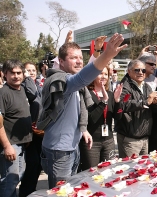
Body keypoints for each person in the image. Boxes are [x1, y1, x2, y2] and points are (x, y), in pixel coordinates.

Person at [37, 33, 127, 189]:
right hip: (60, 151)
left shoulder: (72, 80)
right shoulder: (61, 80)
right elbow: (84, 77)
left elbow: (84, 72)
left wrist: (82, 130)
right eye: (73, 58)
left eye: (80, 57)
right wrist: (107, 55)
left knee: (69, 189)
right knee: (60, 191)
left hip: (72, 147)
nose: (79, 61)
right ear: (61, 62)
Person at [79, 65, 123, 171]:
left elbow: (118, 117)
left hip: (108, 141)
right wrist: (103, 102)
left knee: (108, 172)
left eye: (106, 74)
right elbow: (91, 119)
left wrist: (117, 101)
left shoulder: (110, 94)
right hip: (91, 142)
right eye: (100, 73)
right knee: (91, 174)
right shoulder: (87, 94)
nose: (103, 76)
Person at [0, 60, 33, 197]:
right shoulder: (3, 93)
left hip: (21, 145)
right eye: (12, 73)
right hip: (10, 145)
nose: (16, 76)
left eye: (19, 73)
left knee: (15, 179)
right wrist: (7, 146)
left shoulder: (22, 89)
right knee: (9, 182)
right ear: (4, 74)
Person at [115, 60, 157, 158]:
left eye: (143, 70)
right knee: (129, 170)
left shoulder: (146, 86)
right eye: (137, 70)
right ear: (129, 71)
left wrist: (155, 103)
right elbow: (124, 104)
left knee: (142, 169)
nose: (140, 73)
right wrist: (146, 102)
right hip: (130, 139)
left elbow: (152, 107)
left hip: (144, 137)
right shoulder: (124, 87)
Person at [18, 62, 44, 197]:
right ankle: (25, 192)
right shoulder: (23, 87)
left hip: (39, 133)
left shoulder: (38, 85)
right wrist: (27, 79)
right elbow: (36, 100)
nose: (32, 72)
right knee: (31, 166)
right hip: (28, 134)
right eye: (28, 71)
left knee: (37, 166)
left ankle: (30, 191)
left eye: (33, 70)